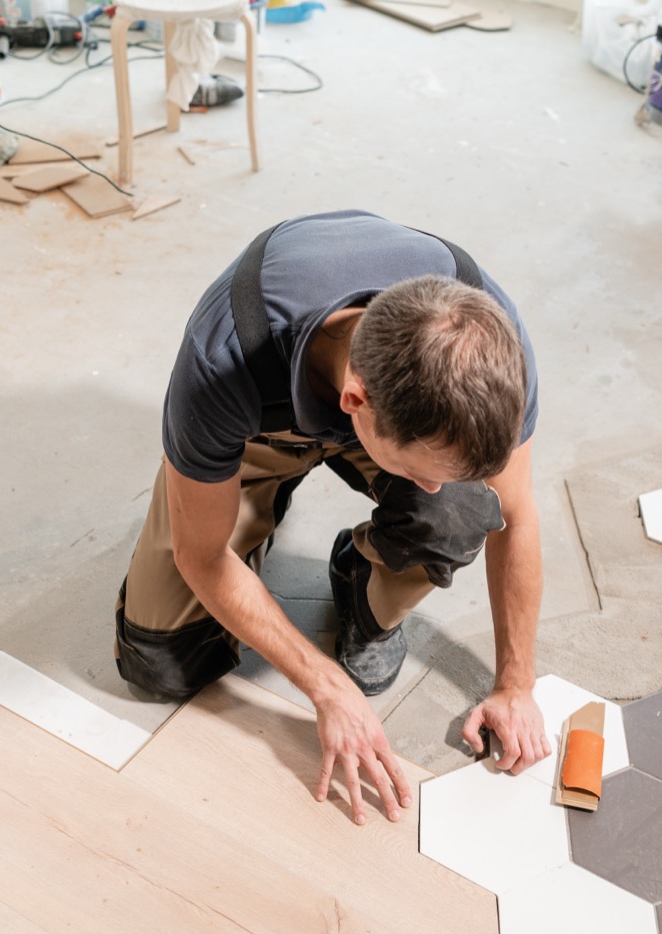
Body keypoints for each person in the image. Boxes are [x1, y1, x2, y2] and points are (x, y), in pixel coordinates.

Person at [114, 209, 549, 825]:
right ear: (353, 403)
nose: (432, 488)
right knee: (162, 662)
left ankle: (360, 582)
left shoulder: (493, 349)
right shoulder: (225, 356)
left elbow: (518, 514)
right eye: (424, 471)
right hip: (258, 425)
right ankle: (252, 504)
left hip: (372, 410)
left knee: (463, 510)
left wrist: (516, 686)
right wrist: (323, 684)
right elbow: (201, 557)